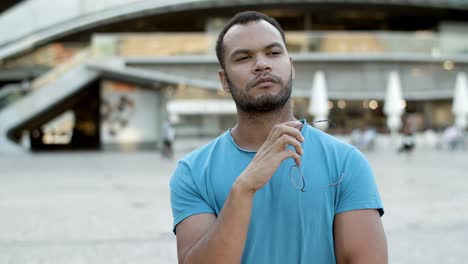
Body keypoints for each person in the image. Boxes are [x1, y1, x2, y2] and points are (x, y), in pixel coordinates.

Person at [170, 11, 387, 264]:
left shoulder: (346, 162)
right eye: (243, 57)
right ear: (224, 80)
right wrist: (243, 189)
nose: (262, 64)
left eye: (273, 53)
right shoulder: (193, 172)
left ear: (291, 66)